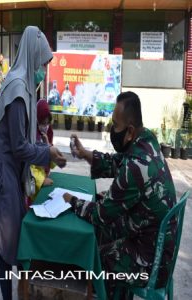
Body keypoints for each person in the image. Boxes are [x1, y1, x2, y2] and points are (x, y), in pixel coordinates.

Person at [63, 91, 177, 299]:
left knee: (96, 257)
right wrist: (86, 154)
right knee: (103, 233)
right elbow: (119, 163)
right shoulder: (147, 140)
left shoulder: (136, 166)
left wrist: (72, 201)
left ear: (130, 131)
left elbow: (100, 215)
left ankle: (109, 292)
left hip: (151, 263)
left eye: (115, 125)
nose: (111, 130)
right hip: (154, 242)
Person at [0, 26, 67, 300]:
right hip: (2, 172)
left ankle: (19, 292)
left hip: (10, 168)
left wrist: (47, 149)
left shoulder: (26, 85)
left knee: (13, 240)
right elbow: (18, 146)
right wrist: (48, 154)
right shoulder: (18, 89)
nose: (43, 69)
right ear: (31, 57)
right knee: (10, 242)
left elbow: (26, 138)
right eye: (42, 62)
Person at [29, 99, 55, 205]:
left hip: (45, 178)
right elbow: (29, 165)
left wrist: (48, 145)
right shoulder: (31, 135)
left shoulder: (48, 132)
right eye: (42, 123)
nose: (45, 126)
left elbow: (53, 163)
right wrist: (41, 181)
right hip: (33, 185)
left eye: (47, 123)